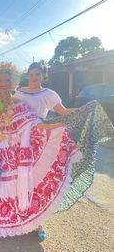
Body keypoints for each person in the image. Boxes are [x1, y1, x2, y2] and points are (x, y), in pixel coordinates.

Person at [0, 62, 82, 252]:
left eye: (7, 80)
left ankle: (32, 222)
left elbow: (34, 123)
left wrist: (56, 126)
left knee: (26, 185)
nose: (3, 83)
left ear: (13, 82)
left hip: (16, 151)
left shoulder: (19, 103)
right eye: (0, 80)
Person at [15, 61, 114, 212]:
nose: (34, 78)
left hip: (40, 138)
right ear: (27, 75)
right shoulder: (20, 92)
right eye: (31, 74)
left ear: (44, 77)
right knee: (16, 175)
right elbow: (12, 111)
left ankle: (35, 215)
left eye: (38, 75)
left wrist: (84, 110)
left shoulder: (49, 94)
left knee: (37, 176)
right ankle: (17, 209)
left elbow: (64, 112)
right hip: (19, 137)